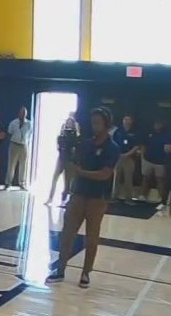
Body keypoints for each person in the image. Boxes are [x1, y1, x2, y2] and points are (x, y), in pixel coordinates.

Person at [47, 107, 120, 288]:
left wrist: (81, 172)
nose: (94, 126)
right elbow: (74, 164)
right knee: (67, 232)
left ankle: (86, 272)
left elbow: (105, 174)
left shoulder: (112, 148)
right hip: (79, 193)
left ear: (106, 124)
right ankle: (61, 269)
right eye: (92, 122)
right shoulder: (85, 144)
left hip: (98, 197)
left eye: (98, 123)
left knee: (92, 236)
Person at [47, 114, 79, 205]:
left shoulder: (75, 136)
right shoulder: (62, 135)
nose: (68, 124)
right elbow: (59, 145)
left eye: (70, 123)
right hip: (61, 158)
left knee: (67, 182)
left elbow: (75, 147)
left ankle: (64, 199)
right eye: (67, 122)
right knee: (55, 178)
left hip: (69, 160)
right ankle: (50, 198)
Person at [111, 114, 140, 202]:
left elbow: (136, 146)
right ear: (123, 121)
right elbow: (113, 143)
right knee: (116, 177)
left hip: (129, 158)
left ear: (131, 122)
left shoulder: (135, 132)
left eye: (128, 120)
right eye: (125, 120)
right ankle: (114, 197)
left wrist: (127, 154)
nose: (127, 122)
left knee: (128, 178)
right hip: (118, 157)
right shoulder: (118, 131)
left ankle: (128, 198)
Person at [139, 120, 168, 203]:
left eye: (159, 124)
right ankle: (142, 195)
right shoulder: (149, 134)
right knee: (145, 178)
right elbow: (143, 145)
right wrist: (143, 157)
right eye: (156, 124)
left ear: (162, 125)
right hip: (148, 160)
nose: (157, 126)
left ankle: (161, 198)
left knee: (160, 180)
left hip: (160, 162)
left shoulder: (165, 135)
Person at [4, 106, 32, 190]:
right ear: (19, 113)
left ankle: (22, 183)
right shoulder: (13, 123)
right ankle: (8, 183)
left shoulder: (29, 123)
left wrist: (25, 142)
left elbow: (30, 134)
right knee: (11, 165)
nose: (23, 114)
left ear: (26, 114)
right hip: (14, 144)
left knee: (23, 165)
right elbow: (9, 132)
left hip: (24, 145)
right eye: (22, 112)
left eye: (25, 112)